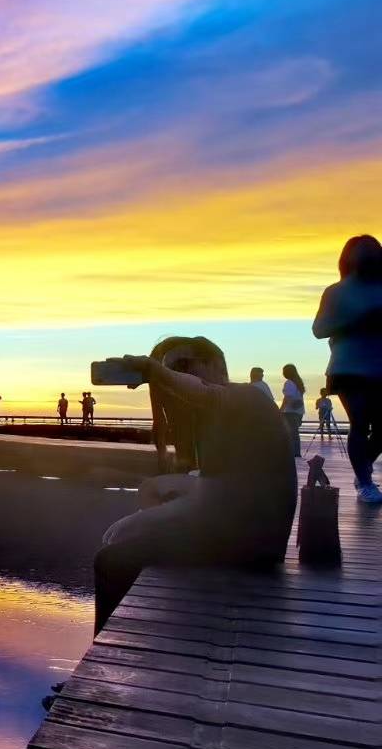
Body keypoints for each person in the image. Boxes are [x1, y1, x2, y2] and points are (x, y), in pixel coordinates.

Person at [91, 337, 296, 633]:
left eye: (184, 366)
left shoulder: (245, 397)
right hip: (239, 528)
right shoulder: (221, 415)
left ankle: (102, 645)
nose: (177, 376)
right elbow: (219, 487)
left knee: (111, 560)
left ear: (216, 365)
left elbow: (212, 497)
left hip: (252, 544)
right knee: (152, 495)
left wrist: (154, 371)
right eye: (170, 369)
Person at [312, 233, 382, 504]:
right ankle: (365, 482)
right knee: (360, 423)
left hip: (379, 367)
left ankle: (361, 468)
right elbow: (319, 329)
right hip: (348, 367)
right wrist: (357, 321)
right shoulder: (336, 291)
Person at [280, 363, 306, 459]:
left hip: (290, 411)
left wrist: (281, 410)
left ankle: (294, 452)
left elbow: (287, 398)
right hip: (298, 411)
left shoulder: (289, 383)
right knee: (294, 432)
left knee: (290, 433)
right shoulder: (298, 382)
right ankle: (296, 452)